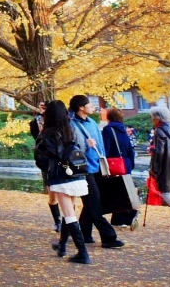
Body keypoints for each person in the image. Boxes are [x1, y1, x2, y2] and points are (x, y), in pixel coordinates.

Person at [34, 100, 92, 264]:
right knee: (70, 212)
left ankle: (83, 253)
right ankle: (62, 246)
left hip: (60, 176)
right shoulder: (72, 129)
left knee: (69, 214)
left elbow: (41, 159)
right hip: (77, 173)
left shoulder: (47, 133)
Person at [67, 95, 124, 249]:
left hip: (97, 166)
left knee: (91, 202)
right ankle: (108, 237)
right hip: (83, 169)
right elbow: (71, 149)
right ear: (81, 107)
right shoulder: (71, 125)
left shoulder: (92, 122)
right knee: (94, 202)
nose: (93, 106)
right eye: (89, 104)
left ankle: (84, 234)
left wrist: (104, 163)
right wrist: (86, 145)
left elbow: (101, 146)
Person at [100, 107, 138, 229]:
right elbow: (129, 149)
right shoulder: (124, 130)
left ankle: (124, 217)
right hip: (125, 163)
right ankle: (124, 216)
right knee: (124, 190)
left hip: (114, 163)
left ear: (109, 117)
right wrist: (130, 164)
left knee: (115, 191)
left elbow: (105, 148)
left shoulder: (108, 129)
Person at [29, 101, 63, 231]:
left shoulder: (61, 122)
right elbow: (37, 139)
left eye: (45, 107)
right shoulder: (36, 122)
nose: (42, 109)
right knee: (53, 194)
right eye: (40, 106)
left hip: (62, 161)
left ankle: (68, 221)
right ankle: (57, 220)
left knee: (67, 193)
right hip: (48, 163)